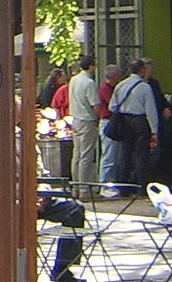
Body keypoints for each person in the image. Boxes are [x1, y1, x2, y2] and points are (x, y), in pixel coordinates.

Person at [109, 59, 159, 191]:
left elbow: (112, 106)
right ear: (142, 70)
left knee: (125, 153)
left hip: (124, 121)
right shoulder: (144, 87)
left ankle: (122, 187)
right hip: (140, 121)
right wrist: (154, 130)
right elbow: (150, 110)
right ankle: (142, 187)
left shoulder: (120, 85)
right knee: (142, 154)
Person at [67, 57, 100, 196]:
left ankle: (75, 187)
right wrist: (98, 117)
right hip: (87, 120)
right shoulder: (89, 83)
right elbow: (95, 105)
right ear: (91, 66)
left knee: (77, 154)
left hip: (75, 119)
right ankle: (84, 189)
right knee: (86, 156)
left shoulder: (74, 80)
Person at [97, 63, 123, 195]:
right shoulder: (105, 90)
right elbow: (113, 105)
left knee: (115, 155)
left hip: (112, 123)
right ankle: (105, 184)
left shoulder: (109, 88)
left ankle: (112, 183)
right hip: (108, 122)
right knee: (109, 155)